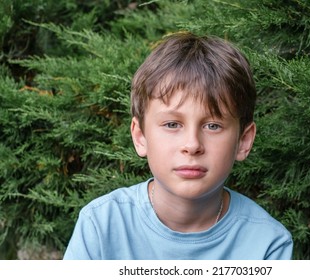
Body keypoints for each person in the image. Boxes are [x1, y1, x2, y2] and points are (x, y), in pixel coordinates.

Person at [63, 32, 293, 260]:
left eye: (213, 125)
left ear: (243, 140)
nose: (192, 145)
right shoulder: (100, 226)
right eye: (172, 124)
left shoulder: (267, 244)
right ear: (141, 136)